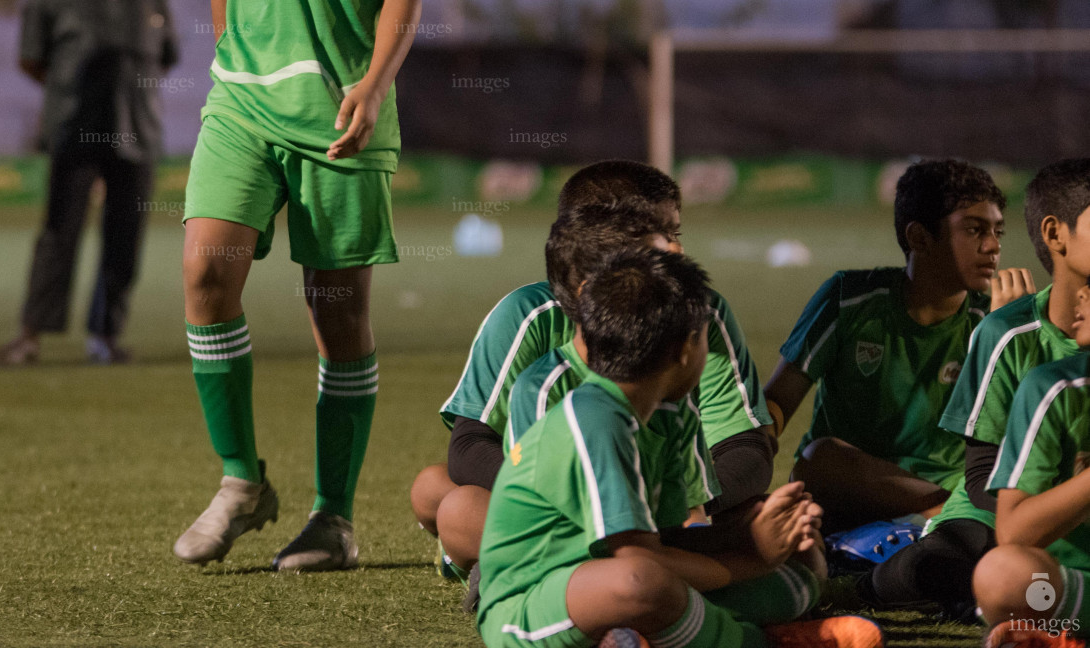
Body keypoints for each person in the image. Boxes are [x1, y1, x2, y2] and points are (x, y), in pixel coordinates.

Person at [172, 0, 440, 572]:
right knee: (206, 277)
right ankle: (241, 481)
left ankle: (332, 518)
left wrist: (371, 83)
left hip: (338, 123)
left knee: (338, 321)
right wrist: (229, 58)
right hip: (240, 107)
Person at [477, 246, 881, 648]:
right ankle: (757, 642)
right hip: (528, 604)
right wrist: (750, 559)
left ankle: (639, 635)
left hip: (628, 577)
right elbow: (637, 560)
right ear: (686, 349)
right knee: (641, 583)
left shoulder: (670, 413)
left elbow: (668, 540)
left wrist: (755, 535)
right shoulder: (593, 415)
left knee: (801, 568)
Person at [411, 161, 773, 586]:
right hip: (559, 513)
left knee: (767, 518)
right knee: (444, 496)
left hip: (668, 514)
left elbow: (747, 447)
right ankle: (621, 569)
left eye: (677, 234)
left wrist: (654, 510)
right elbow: (471, 445)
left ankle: (530, 567)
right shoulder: (528, 317)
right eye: (658, 237)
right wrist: (603, 508)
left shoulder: (698, 317)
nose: (676, 251)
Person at [860, 159, 1083, 619]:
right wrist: (1056, 510)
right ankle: (870, 570)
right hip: (1001, 510)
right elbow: (982, 479)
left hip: (1061, 513)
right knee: (946, 563)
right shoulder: (1009, 334)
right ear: (1056, 234)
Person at [765, 158, 1030, 533]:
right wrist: (745, 460)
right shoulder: (848, 300)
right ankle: (942, 526)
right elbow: (777, 402)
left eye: (997, 232)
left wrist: (1001, 340)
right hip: (855, 487)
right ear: (919, 238)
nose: (993, 247)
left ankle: (928, 528)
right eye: (974, 230)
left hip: (946, 489)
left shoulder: (993, 320)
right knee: (818, 457)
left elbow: (1017, 440)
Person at [0, 0, 177, 367]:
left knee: (125, 239)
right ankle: (31, 335)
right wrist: (71, 94)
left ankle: (106, 336)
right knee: (59, 235)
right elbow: (31, 60)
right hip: (75, 131)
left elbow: (167, 57)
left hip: (137, 134)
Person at [971, 285, 1090, 647]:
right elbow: (1014, 534)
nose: (1081, 295)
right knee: (1003, 575)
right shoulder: (1054, 386)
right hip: (1072, 584)